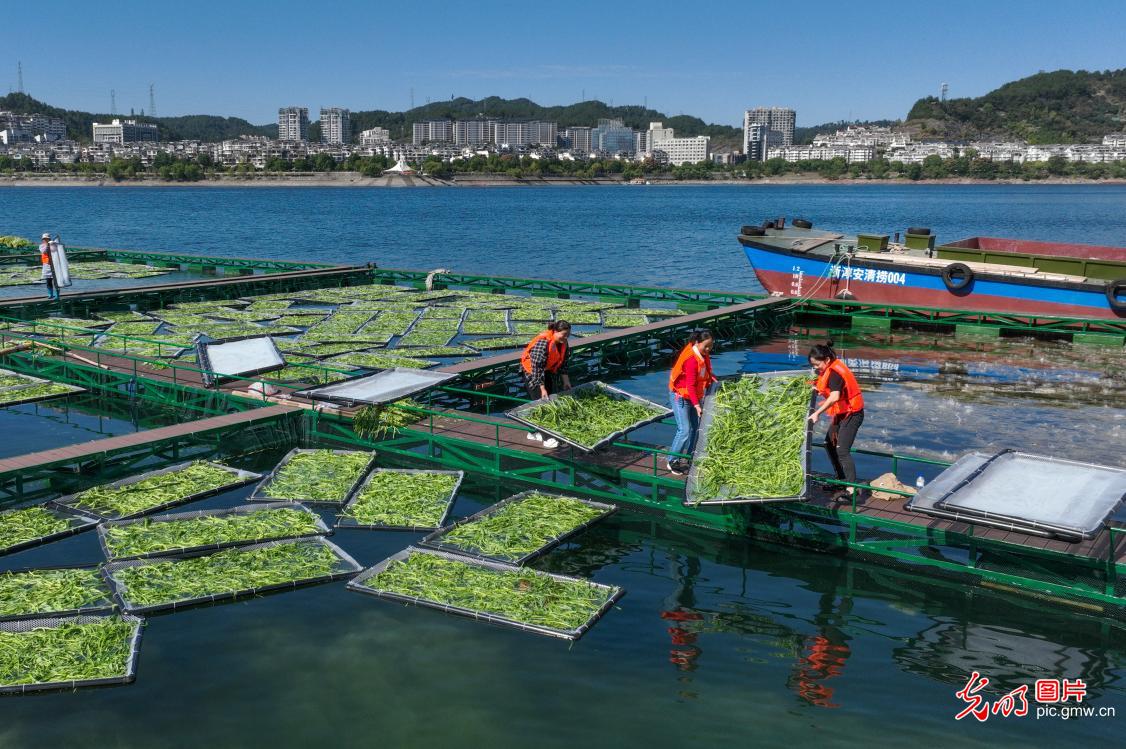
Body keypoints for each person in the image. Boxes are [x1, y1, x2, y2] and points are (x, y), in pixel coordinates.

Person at [808, 341, 865, 496]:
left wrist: (817, 413)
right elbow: (825, 387)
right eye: (813, 365)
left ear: (826, 360)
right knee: (829, 443)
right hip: (842, 413)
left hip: (853, 414)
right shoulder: (828, 368)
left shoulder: (835, 373)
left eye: (817, 364)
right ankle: (842, 481)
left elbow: (834, 397)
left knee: (842, 450)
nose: (815, 368)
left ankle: (851, 490)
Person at [666, 330, 716, 476]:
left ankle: (690, 457)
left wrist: (712, 378)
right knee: (685, 430)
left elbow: (704, 373)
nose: (708, 349)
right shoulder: (691, 360)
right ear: (697, 343)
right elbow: (690, 385)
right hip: (681, 396)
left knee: (696, 428)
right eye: (706, 346)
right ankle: (672, 461)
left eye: (710, 346)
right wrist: (697, 405)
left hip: (693, 397)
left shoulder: (702, 355)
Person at [519, 320, 573, 449]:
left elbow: (563, 363)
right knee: (541, 403)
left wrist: (566, 382)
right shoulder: (543, 342)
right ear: (555, 331)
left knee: (550, 401)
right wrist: (542, 388)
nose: (566, 337)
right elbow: (537, 368)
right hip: (532, 374)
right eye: (563, 334)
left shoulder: (563, 343)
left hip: (547, 371)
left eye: (568, 335)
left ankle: (533, 432)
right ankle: (547, 438)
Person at [39, 233, 58, 300]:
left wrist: (53, 244)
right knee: (48, 281)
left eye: (47, 239)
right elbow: (44, 251)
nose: (45, 240)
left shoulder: (53, 245)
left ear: (49, 239)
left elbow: (55, 250)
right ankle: (50, 294)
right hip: (46, 266)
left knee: (56, 281)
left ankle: (57, 294)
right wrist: (48, 245)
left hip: (54, 265)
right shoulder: (41, 246)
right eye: (44, 239)